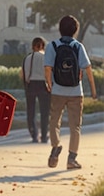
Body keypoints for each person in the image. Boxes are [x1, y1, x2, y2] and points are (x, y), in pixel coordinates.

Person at [44, 15, 97, 170]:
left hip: (57, 90)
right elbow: (87, 68)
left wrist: (49, 84)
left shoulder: (52, 46)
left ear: (60, 29)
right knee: (75, 126)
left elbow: (47, 68)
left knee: (54, 122)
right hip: (75, 92)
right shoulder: (78, 46)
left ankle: (55, 147)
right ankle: (71, 159)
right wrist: (93, 90)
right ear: (75, 30)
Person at [20, 37, 51, 143]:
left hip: (31, 84)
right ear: (42, 45)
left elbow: (24, 74)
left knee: (31, 111)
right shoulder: (46, 57)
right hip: (43, 84)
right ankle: (44, 135)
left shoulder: (28, 58)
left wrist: (26, 84)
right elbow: (49, 73)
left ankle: (34, 134)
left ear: (33, 46)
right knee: (44, 112)